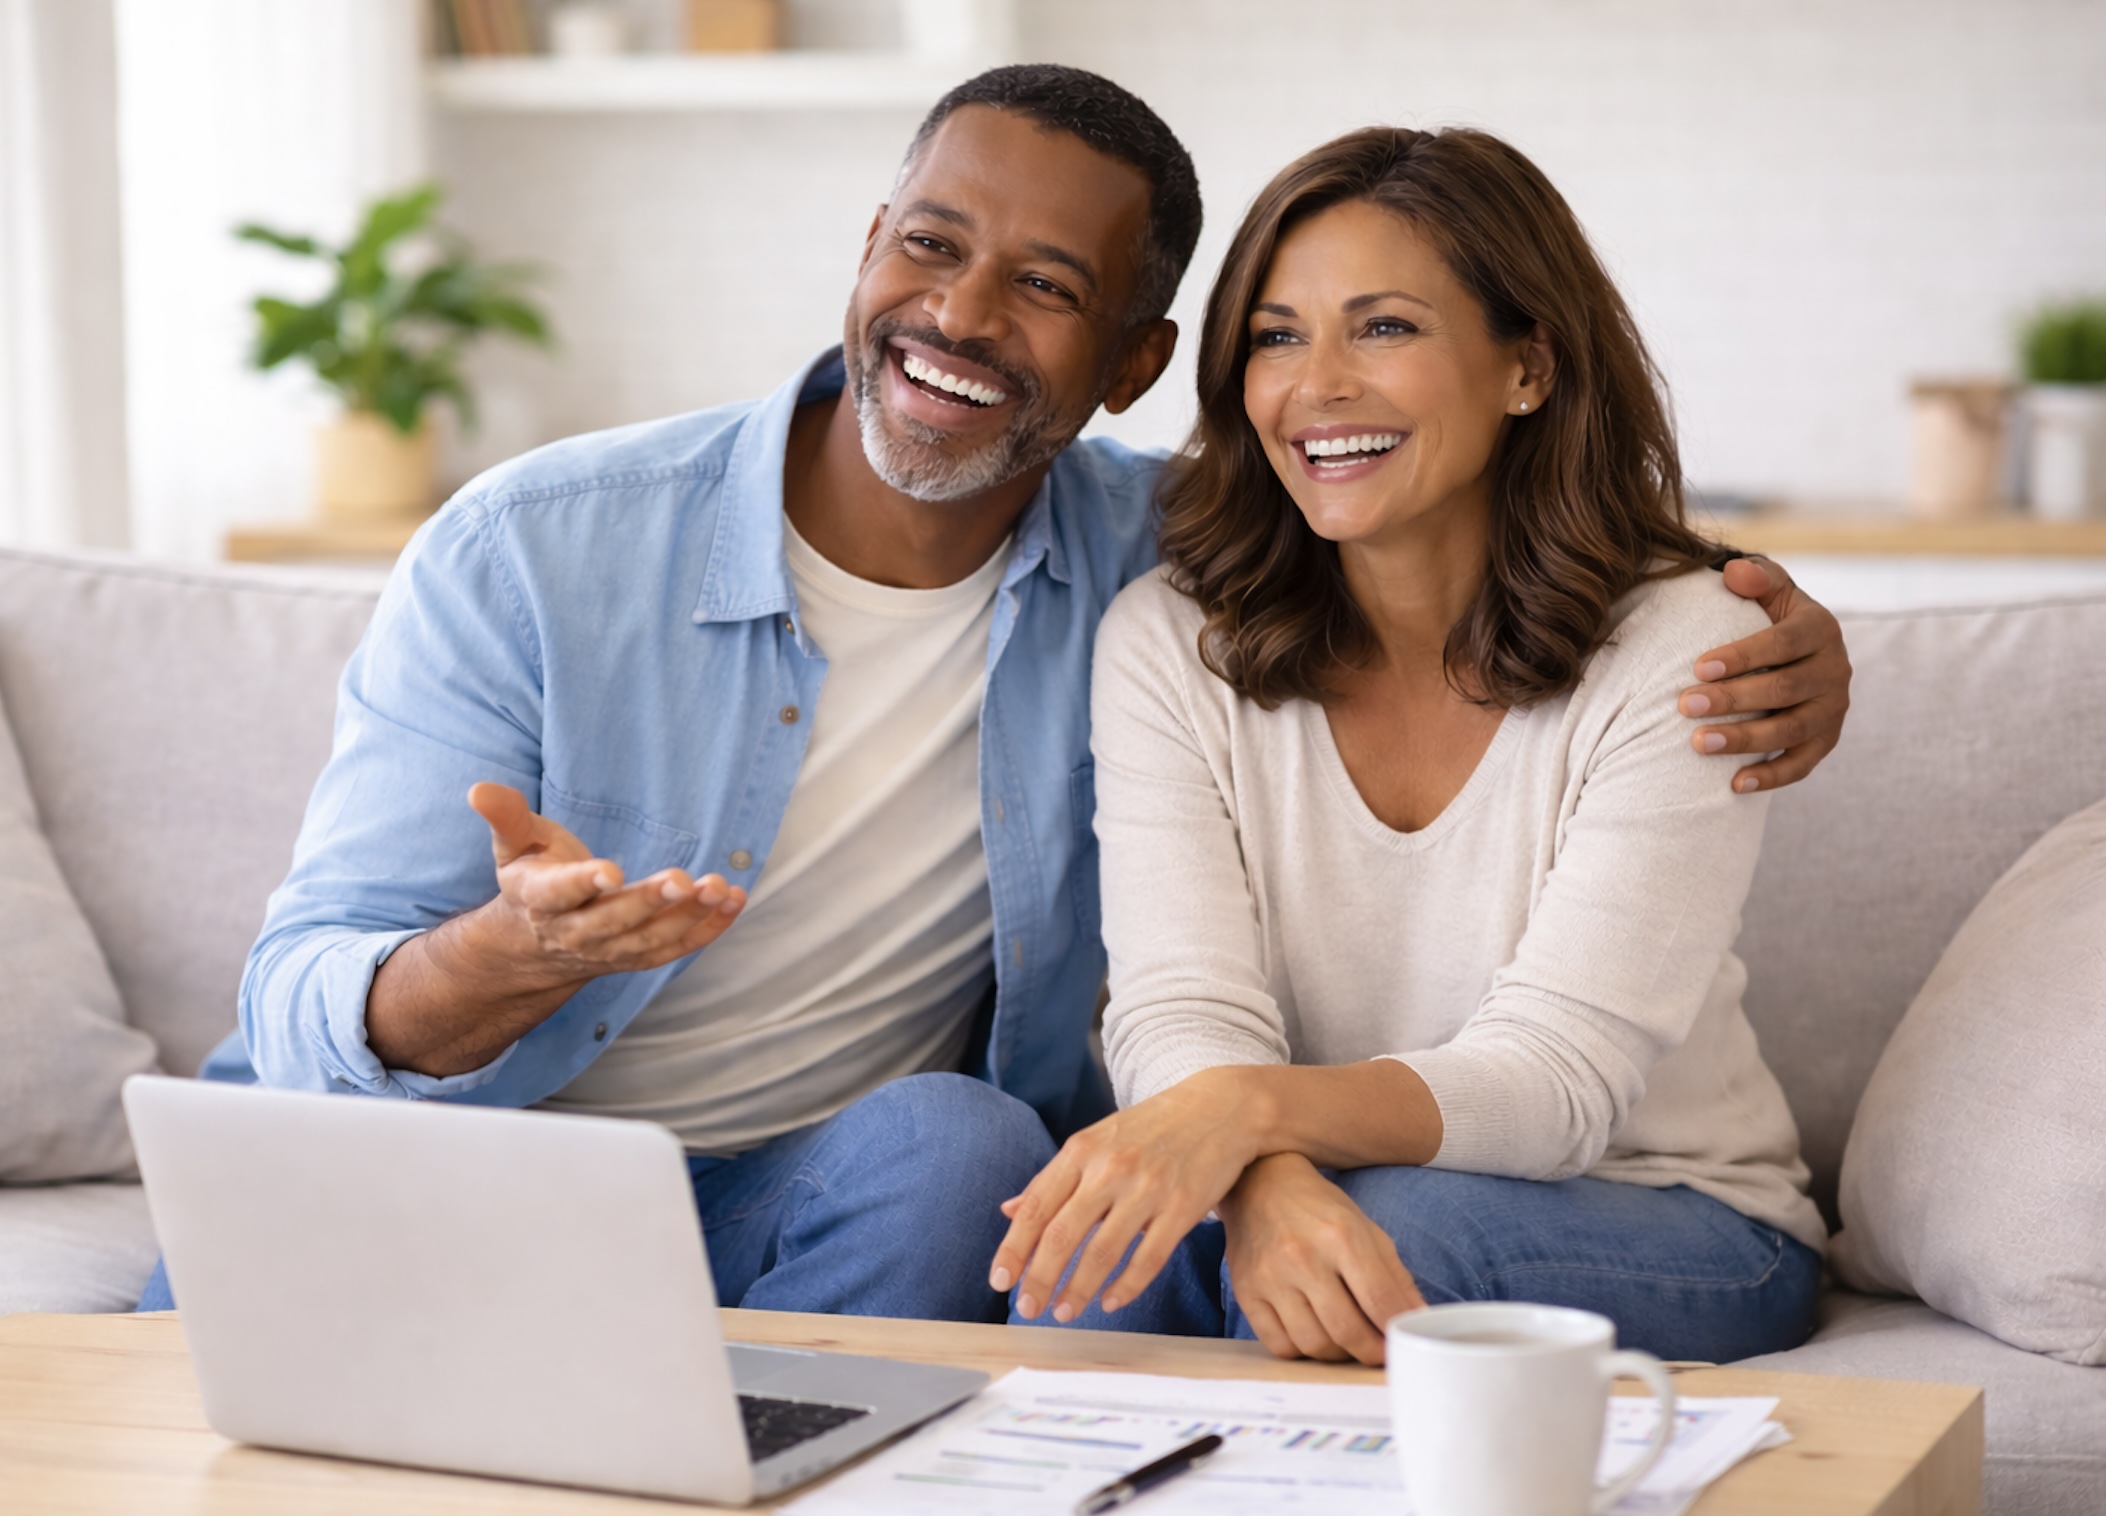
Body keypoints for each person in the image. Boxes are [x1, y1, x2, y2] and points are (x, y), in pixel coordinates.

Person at [143, 69, 1851, 1321]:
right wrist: (492, 963)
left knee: (974, 1158)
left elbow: (1476, 531)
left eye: (1042, 287)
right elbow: (303, 991)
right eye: (933, 245)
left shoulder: (1164, 556)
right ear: (870, 243)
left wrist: (1778, 630)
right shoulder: (534, 551)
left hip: (818, 1203)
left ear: (1126, 364)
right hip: (457, 1181)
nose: (958, 316)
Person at [990, 125, 1827, 1365]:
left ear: (1527, 367)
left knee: (1400, 1231)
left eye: (1384, 327)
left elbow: (1557, 1080)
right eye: (1277, 336)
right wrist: (1255, 1177)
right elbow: (1182, 1000)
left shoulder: (1685, 646)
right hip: (1310, 1172)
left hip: (1677, 1210)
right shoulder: (1169, 642)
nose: (1317, 384)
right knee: (1104, 1259)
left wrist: (1242, 1112)